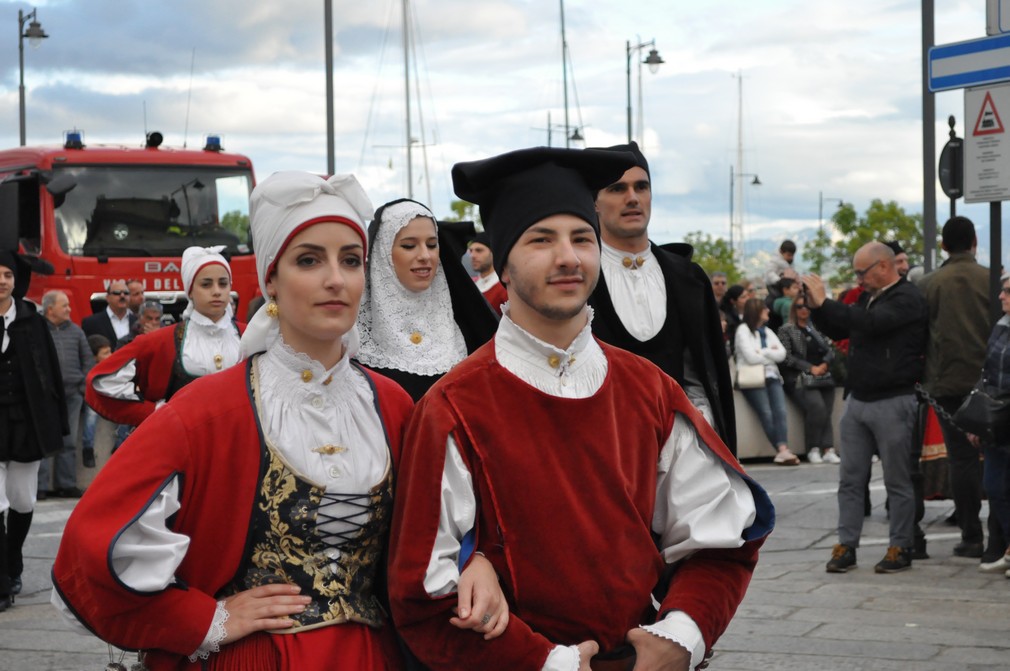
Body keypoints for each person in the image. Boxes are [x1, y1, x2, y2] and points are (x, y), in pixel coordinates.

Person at [52, 172, 507, 669]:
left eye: (350, 260)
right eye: (309, 260)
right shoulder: (207, 411)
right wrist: (202, 620)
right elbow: (88, 551)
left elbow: (449, 523)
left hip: (371, 657)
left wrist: (478, 559)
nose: (336, 279)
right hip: (255, 658)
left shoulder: (393, 405)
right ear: (270, 279)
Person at [388, 147, 774, 671]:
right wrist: (543, 662)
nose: (567, 257)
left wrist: (681, 635)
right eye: (541, 240)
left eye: (582, 238)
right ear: (504, 261)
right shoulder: (455, 406)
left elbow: (721, 539)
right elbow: (424, 592)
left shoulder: (649, 390)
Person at [588, 141, 736, 452]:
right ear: (594, 203)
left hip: (687, 451)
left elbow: (704, 377)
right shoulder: (580, 279)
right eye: (617, 188)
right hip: (608, 451)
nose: (632, 198)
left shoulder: (689, 278)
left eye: (641, 186)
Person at [804, 242, 927, 574]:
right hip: (858, 399)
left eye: (862, 272)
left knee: (897, 480)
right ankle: (847, 544)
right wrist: (818, 307)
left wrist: (827, 302)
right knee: (850, 479)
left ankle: (901, 545)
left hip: (894, 398)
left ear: (884, 267)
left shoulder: (907, 298)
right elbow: (842, 327)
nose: (858, 280)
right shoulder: (865, 298)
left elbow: (872, 324)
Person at [85, 246, 246, 428]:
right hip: (184, 446)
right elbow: (100, 382)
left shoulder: (250, 336)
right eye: (206, 284)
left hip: (239, 442)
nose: (216, 291)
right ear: (190, 290)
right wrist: (155, 412)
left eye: (223, 283)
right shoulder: (161, 341)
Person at [356, 198, 498, 401]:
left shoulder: (467, 330)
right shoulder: (356, 339)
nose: (425, 255)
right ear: (382, 254)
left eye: (432, 245)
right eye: (408, 245)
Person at [915, 216, 991, 559]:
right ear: (974, 241)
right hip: (991, 385)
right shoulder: (991, 280)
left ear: (943, 245)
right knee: (997, 457)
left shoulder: (929, 284)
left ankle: (971, 534)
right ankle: (1001, 538)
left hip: (946, 384)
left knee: (961, 460)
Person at [0, 250, 69, 612]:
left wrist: (56, 421)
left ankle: (13, 563)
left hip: (25, 424)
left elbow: (50, 374)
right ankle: (1, 580)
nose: (1, 281)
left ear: (16, 280)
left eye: (7, 274)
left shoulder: (32, 320)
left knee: (23, 500)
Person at [38, 290, 94, 499]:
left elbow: (88, 361)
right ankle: (40, 487)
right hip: (45, 397)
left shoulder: (77, 332)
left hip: (72, 395)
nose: (69, 309)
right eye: (65, 305)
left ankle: (67, 484)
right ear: (50, 309)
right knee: (43, 442)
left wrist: (82, 387)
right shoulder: (39, 331)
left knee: (69, 442)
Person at [972, 273, 1010, 574]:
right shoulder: (1000, 327)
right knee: (994, 486)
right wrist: (978, 418)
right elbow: (985, 371)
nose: (1001, 296)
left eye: (1007, 291)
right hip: (996, 421)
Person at [735, 297, 800, 466]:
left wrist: (761, 351)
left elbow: (782, 354)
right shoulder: (743, 330)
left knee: (780, 412)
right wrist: (768, 352)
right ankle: (782, 450)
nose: (768, 311)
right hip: (753, 379)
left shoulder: (767, 331)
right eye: (764, 309)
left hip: (772, 376)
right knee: (766, 413)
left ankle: (783, 449)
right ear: (756, 311)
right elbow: (750, 357)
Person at [777, 295, 839, 464]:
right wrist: (810, 368)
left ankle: (828, 449)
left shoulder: (817, 328)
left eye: (807, 306)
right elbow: (786, 357)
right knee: (817, 408)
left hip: (824, 376)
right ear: (793, 310)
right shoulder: (787, 329)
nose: (804, 309)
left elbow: (831, 348)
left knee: (826, 411)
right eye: (799, 307)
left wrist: (825, 364)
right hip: (800, 378)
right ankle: (813, 448)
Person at [80, 334, 111, 469]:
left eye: (110, 351)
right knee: (92, 413)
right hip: (91, 399)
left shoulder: (113, 366)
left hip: (109, 399)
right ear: (94, 356)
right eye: (105, 353)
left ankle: (120, 445)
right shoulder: (88, 368)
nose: (111, 355)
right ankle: (88, 447)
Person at [81, 279, 137, 351]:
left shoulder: (138, 321)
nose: (122, 296)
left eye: (126, 293)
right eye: (117, 293)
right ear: (107, 298)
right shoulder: (91, 323)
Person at [468, 231, 508, 316]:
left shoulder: (505, 288)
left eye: (479, 250)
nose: (472, 256)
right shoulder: (470, 284)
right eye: (471, 251)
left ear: (493, 253)